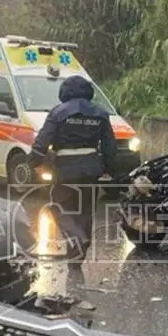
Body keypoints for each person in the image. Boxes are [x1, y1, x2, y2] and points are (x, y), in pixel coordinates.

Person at [30, 75, 117, 260]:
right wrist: (109, 168)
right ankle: (77, 257)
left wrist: (34, 163)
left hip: (66, 169)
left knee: (58, 208)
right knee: (85, 211)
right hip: (92, 169)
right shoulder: (101, 114)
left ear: (64, 92)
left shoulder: (58, 112)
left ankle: (77, 239)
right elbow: (110, 147)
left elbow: (42, 142)